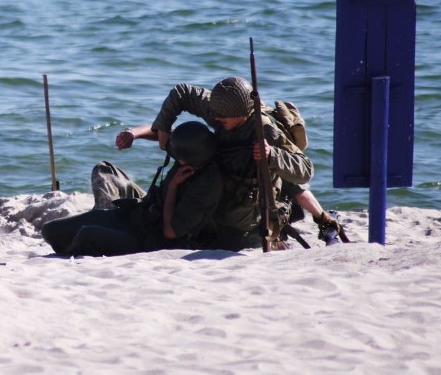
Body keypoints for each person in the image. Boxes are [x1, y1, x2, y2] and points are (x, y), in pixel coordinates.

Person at [119, 76, 345, 250]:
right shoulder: (220, 108)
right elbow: (182, 92)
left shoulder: (265, 129)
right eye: (214, 115)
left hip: (253, 188)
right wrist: (164, 125)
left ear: (243, 114)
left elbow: (304, 170)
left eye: (222, 119)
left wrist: (272, 154)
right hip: (226, 169)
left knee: (282, 177)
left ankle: (323, 220)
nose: (215, 120)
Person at [41, 121, 223, 256]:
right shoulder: (190, 149)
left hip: (150, 239)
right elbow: (159, 131)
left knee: (86, 235)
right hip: (137, 215)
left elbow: (170, 232)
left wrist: (173, 186)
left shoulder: (207, 185)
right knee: (51, 231)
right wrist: (133, 134)